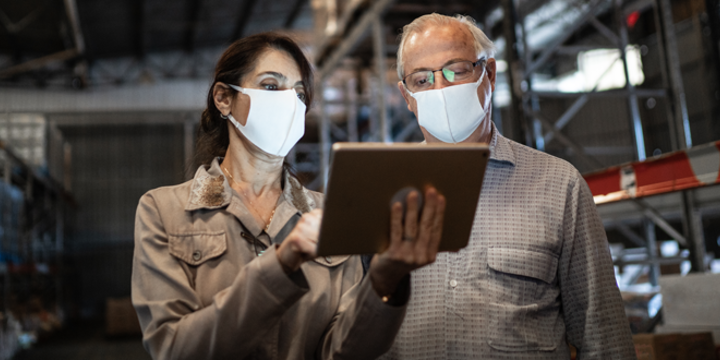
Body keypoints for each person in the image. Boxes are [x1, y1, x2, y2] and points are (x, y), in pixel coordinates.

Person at [131, 32, 446, 360]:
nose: (289, 103)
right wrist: (281, 264)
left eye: (299, 93)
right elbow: (173, 349)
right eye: (270, 86)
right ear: (224, 98)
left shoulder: (330, 213)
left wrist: (383, 282)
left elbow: (341, 350)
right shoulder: (163, 210)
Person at [380, 14, 636, 359]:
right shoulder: (378, 190)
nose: (441, 90)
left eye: (457, 70)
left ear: (489, 74)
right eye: (422, 80)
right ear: (407, 96)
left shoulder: (559, 185)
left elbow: (604, 336)